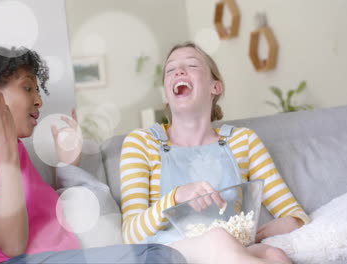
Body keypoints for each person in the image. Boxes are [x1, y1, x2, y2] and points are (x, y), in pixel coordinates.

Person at [0, 45, 186, 264]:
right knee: (159, 256)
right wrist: (6, 152)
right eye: (28, 87)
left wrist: (67, 166)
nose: (39, 100)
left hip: (60, 257)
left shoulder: (15, 149)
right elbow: (12, 244)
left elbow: (40, 220)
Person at [120, 42, 311, 263]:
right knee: (218, 238)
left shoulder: (243, 141)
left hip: (231, 251)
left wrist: (287, 223)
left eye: (192, 65)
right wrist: (175, 198)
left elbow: (295, 214)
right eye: (171, 70)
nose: (179, 71)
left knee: (275, 255)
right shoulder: (141, 143)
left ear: (215, 87)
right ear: (166, 94)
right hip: (168, 254)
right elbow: (130, 236)